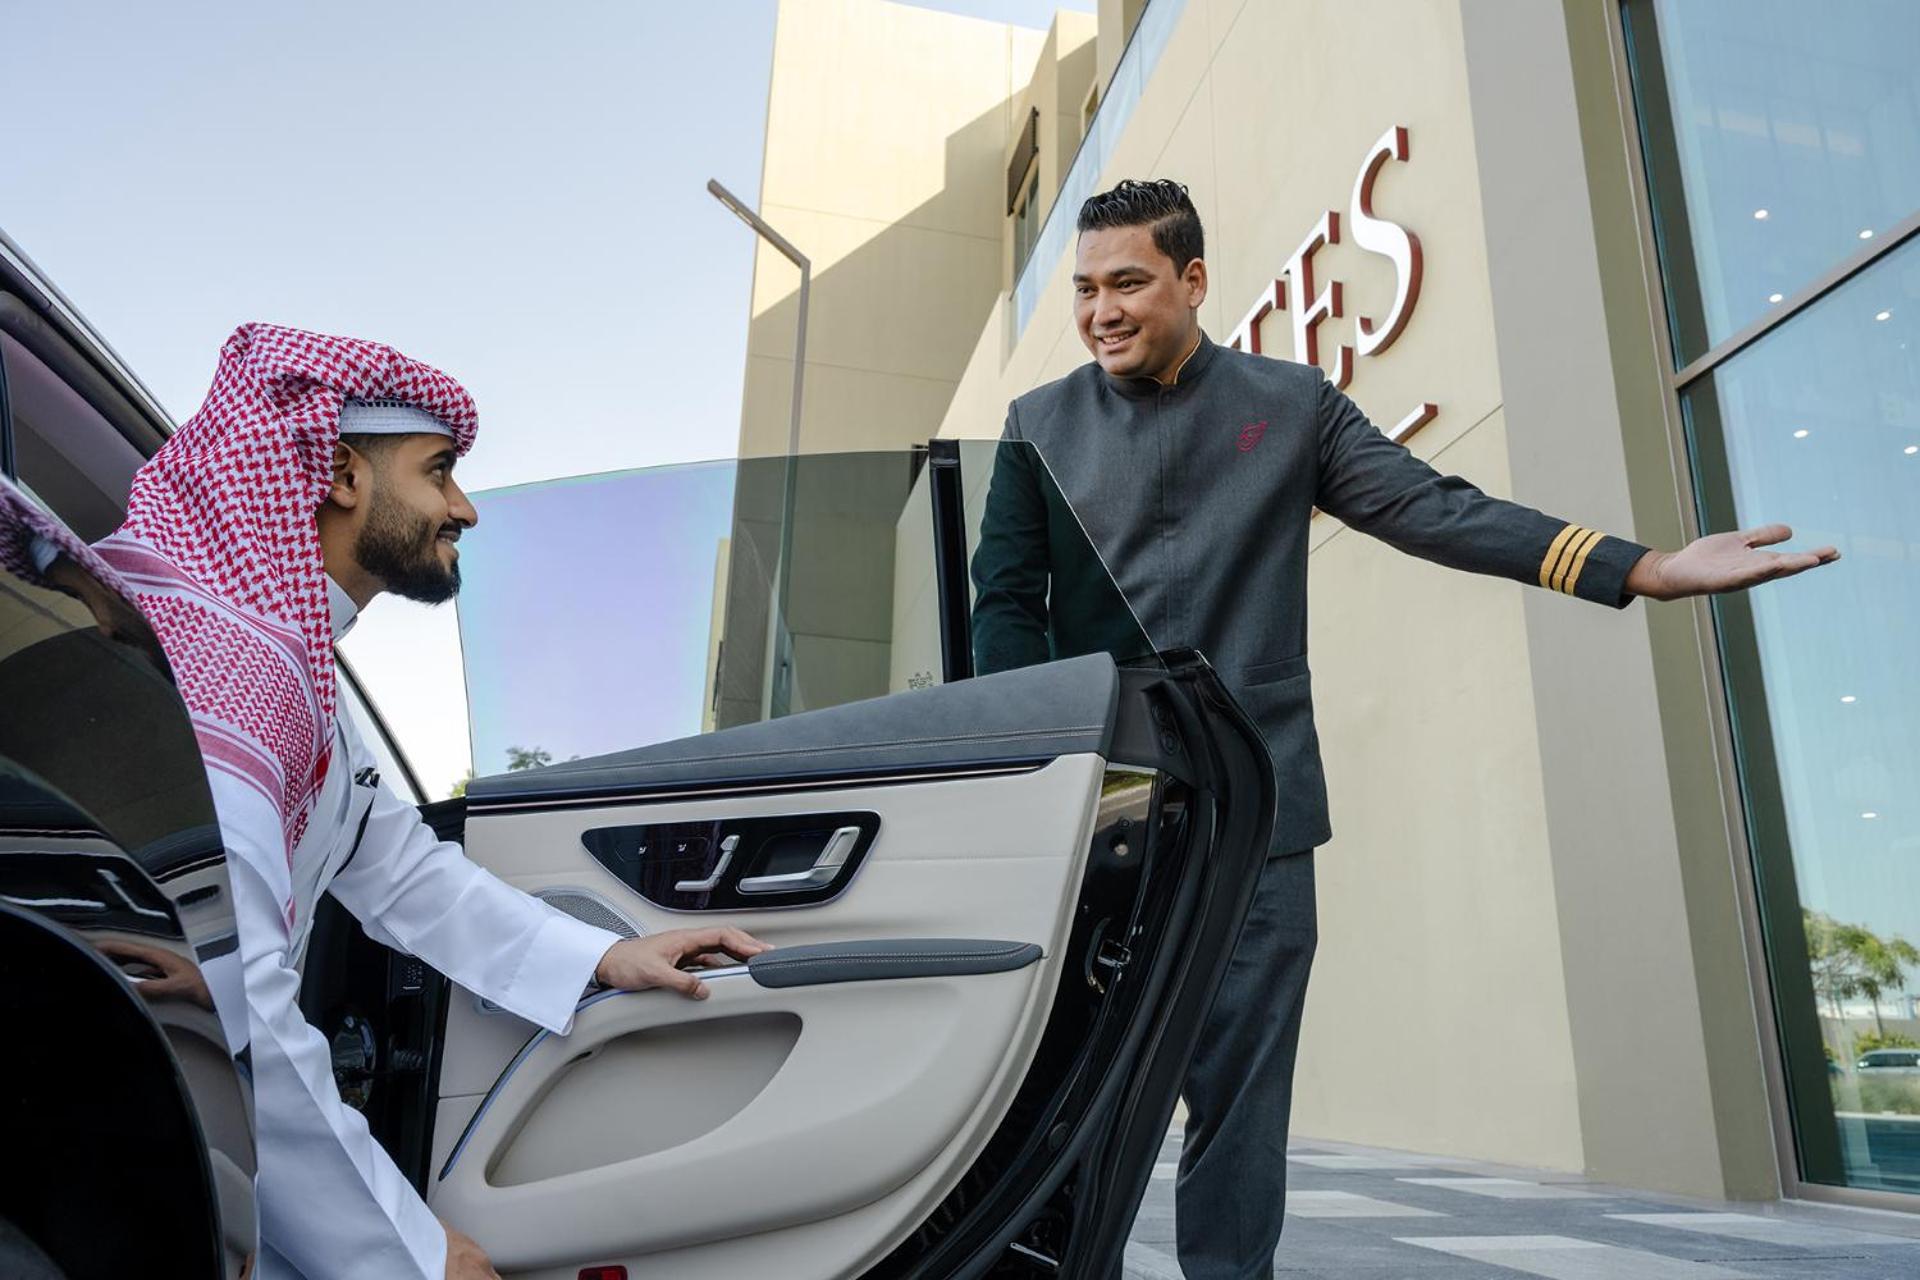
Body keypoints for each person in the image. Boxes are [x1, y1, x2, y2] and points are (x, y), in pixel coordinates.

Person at [970, 180, 1838, 1280]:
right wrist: (1044, 765)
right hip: (1101, 809)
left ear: (1193, 279)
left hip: (1259, 814)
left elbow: (1435, 507)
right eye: (1087, 288)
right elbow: (1003, 604)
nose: (1102, 309)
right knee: (1062, 1088)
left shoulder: (1291, 404)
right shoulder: (1035, 425)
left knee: (1240, 1101)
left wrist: (1643, 566)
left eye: (1128, 282)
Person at [95, 323, 770, 1280]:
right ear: (340, 476)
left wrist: (606, 955)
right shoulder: (212, 669)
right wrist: (420, 1257)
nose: (464, 507)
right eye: (440, 471)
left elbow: (404, 871)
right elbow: (250, 1017)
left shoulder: (289, 672)